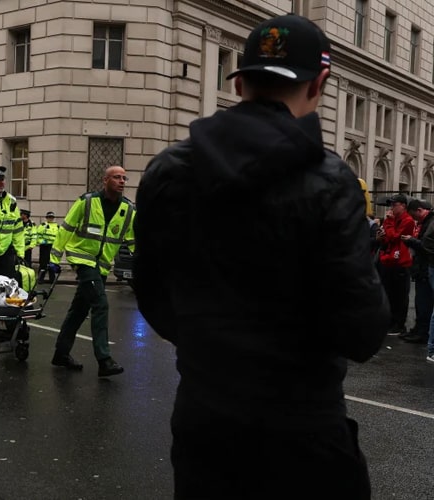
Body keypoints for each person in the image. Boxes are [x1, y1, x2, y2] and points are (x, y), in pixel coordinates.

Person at [133, 15, 389, 500]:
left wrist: (210, 349)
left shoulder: (167, 170)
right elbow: (362, 331)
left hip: (204, 420)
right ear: (320, 83)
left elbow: (152, 293)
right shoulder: (329, 180)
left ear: (241, 80)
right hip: (301, 430)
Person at [50, 165, 134, 377]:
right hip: (83, 260)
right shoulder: (87, 202)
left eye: (124, 178)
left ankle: (61, 354)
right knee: (101, 304)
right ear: (105, 180)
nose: (122, 181)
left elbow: (133, 240)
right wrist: (53, 259)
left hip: (102, 266)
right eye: (117, 177)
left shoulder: (128, 210)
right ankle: (104, 360)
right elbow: (66, 229)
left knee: (79, 310)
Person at [378, 194, 415, 334]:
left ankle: (399, 324)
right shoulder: (393, 220)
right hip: (388, 260)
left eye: (395, 205)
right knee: (389, 293)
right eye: (391, 205)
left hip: (400, 261)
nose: (392, 208)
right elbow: (386, 238)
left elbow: (394, 237)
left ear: (403, 206)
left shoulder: (407, 220)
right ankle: (391, 321)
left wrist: (388, 223)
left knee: (399, 294)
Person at [400, 199, 434, 344]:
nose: (414, 219)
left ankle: (423, 332)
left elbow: (427, 246)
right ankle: (419, 329)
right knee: (421, 301)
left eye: (415, 215)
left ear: (420, 210)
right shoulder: (425, 223)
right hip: (423, 268)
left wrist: (411, 241)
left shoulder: (430, 223)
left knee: (424, 302)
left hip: (426, 268)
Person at [37, 211, 59, 283]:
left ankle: (52, 279)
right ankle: (40, 279)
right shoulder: (43, 225)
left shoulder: (57, 226)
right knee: (43, 263)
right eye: (49, 217)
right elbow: (38, 235)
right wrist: (42, 241)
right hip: (44, 246)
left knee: (52, 263)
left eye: (51, 217)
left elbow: (59, 237)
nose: (50, 219)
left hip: (53, 247)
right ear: (46, 218)